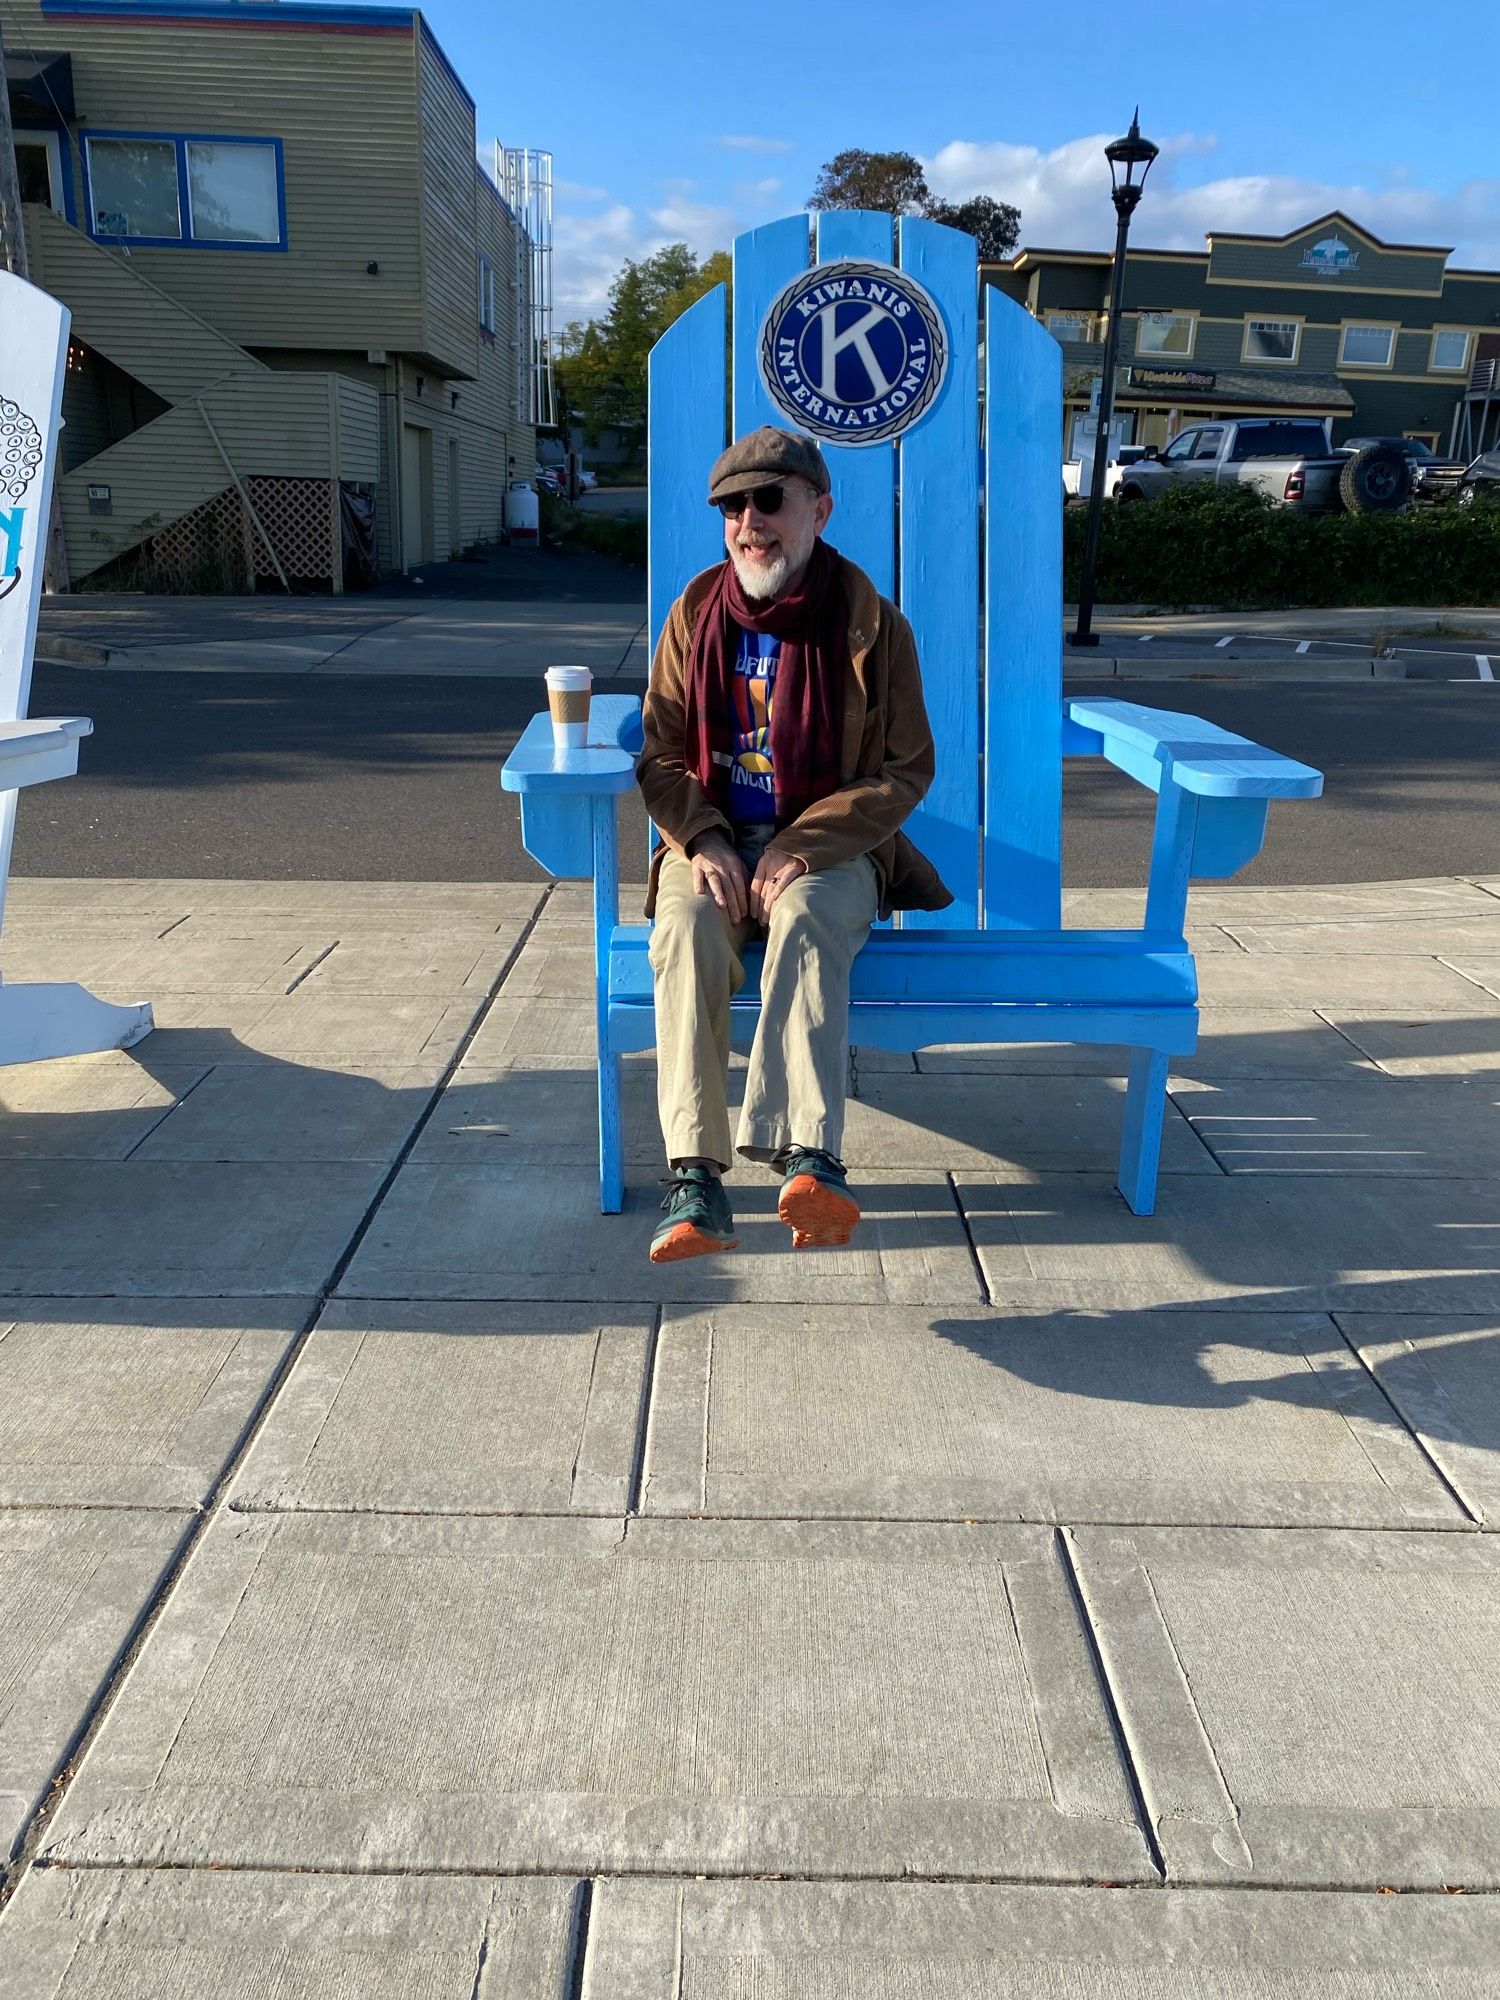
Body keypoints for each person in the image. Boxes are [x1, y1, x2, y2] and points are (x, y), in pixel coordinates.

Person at [636, 424, 951, 1265]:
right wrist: (702, 839)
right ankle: (694, 1179)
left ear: (819, 509)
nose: (749, 521)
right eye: (732, 507)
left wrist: (801, 846)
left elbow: (905, 769)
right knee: (688, 934)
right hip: (711, 842)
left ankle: (809, 1158)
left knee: (809, 919)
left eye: (768, 500)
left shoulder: (872, 627)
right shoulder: (694, 615)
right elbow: (661, 757)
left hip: (831, 848)